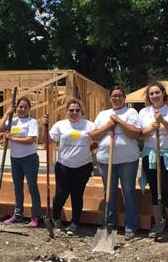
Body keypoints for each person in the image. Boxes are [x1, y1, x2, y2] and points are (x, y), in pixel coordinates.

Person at [90, 87, 141, 239]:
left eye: (120, 96)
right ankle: (109, 224)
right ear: (110, 98)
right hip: (106, 160)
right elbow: (93, 135)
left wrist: (118, 121)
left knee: (129, 192)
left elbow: (135, 134)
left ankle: (130, 225)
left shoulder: (131, 113)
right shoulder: (103, 114)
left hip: (128, 160)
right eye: (114, 96)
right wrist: (108, 126)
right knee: (109, 193)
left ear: (124, 98)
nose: (117, 98)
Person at [139, 81, 168, 239]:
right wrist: (152, 128)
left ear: (163, 93)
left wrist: (163, 122)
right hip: (150, 155)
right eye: (151, 94)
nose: (154, 96)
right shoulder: (144, 112)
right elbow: (141, 134)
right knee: (154, 191)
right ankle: (158, 222)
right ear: (148, 96)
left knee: (166, 190)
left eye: (157, 92)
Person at [48, 98, 95, 235]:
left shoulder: (89, 125)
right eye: (71, 110)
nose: (74, 112)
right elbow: (50, 141)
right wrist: (45, 128)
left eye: (77, 110)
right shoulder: (60, 125)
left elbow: (96, 141)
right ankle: (56, 219)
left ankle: (75, 222)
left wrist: (91, 148)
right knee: (61, 194)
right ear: (66, 111)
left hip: (83, 165)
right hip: (64, 165)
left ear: (81, 111)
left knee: (77, 194)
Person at [0, 97, 41, 228]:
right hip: (15, 158)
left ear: (29, 109)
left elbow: (30, 140)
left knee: (32, 187)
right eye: (20, 107)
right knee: (17, 187)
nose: (22, 109)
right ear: (16, 108)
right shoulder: (13, 121)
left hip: (29, 158)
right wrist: (6, 114)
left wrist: (12, 137)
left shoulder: (32, 122)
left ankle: (35, 216)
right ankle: (18, 215)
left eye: (24, 107)